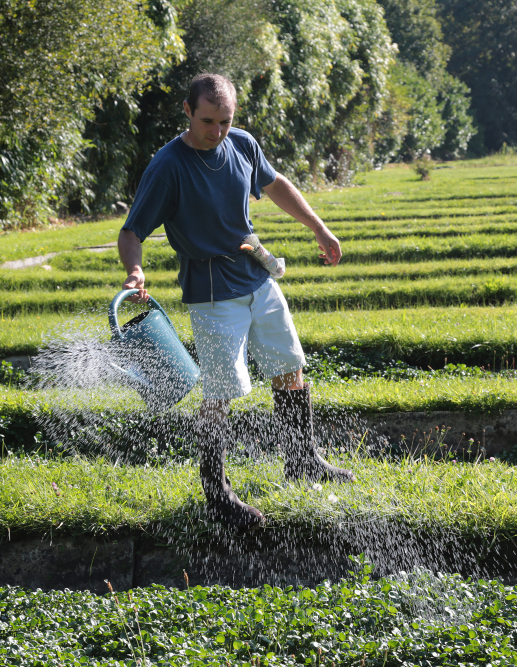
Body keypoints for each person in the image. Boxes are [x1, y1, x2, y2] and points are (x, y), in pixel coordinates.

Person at [118, 73, 353, 531]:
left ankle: (302, 461)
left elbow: (276, 183)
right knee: (220, 392)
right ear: (188, 112)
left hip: (256, 275)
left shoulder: (242, 144)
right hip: (211, 290)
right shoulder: (168, 166)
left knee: (289, 367)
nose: (217, 131)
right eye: (208, 121)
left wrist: (319, 228)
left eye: (225, 121)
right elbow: (132, 230)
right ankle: (217, 492)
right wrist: (135, 269)